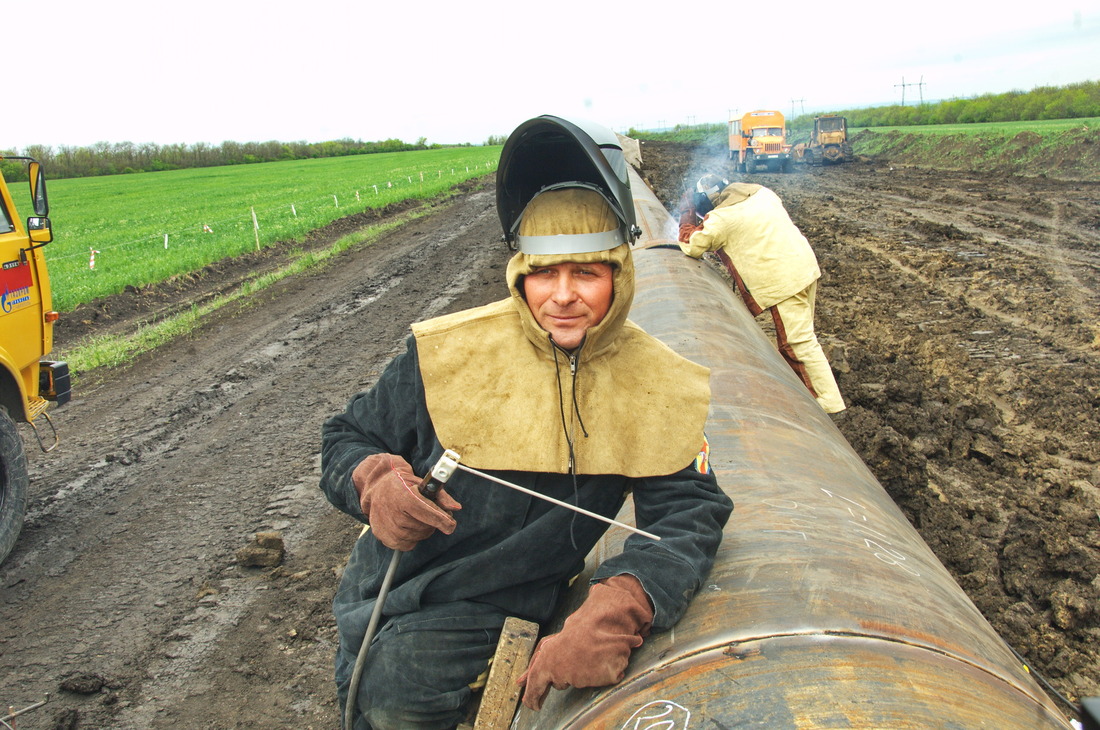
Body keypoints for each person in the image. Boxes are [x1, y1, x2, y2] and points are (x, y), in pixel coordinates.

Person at [320, 115, 733, 730]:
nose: (562, 295)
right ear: (521, 276)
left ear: (620, 278)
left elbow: (689, 511)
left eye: (586, 274)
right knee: (358, 688)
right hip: (383, 584)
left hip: (494, 606)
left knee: (393, 699)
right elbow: (346, 437)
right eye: (544, 273)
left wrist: (622, 602)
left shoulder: (656, 384)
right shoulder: (448, 354)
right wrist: (376, 480)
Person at [678, 174, 846, 414]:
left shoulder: (722, 219)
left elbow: (691, 245)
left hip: (783, 281)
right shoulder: (762, 193)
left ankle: (828, 405)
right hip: (805, 268)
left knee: (798, 344)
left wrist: (686, 215)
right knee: (804, 337)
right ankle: (812, 391)